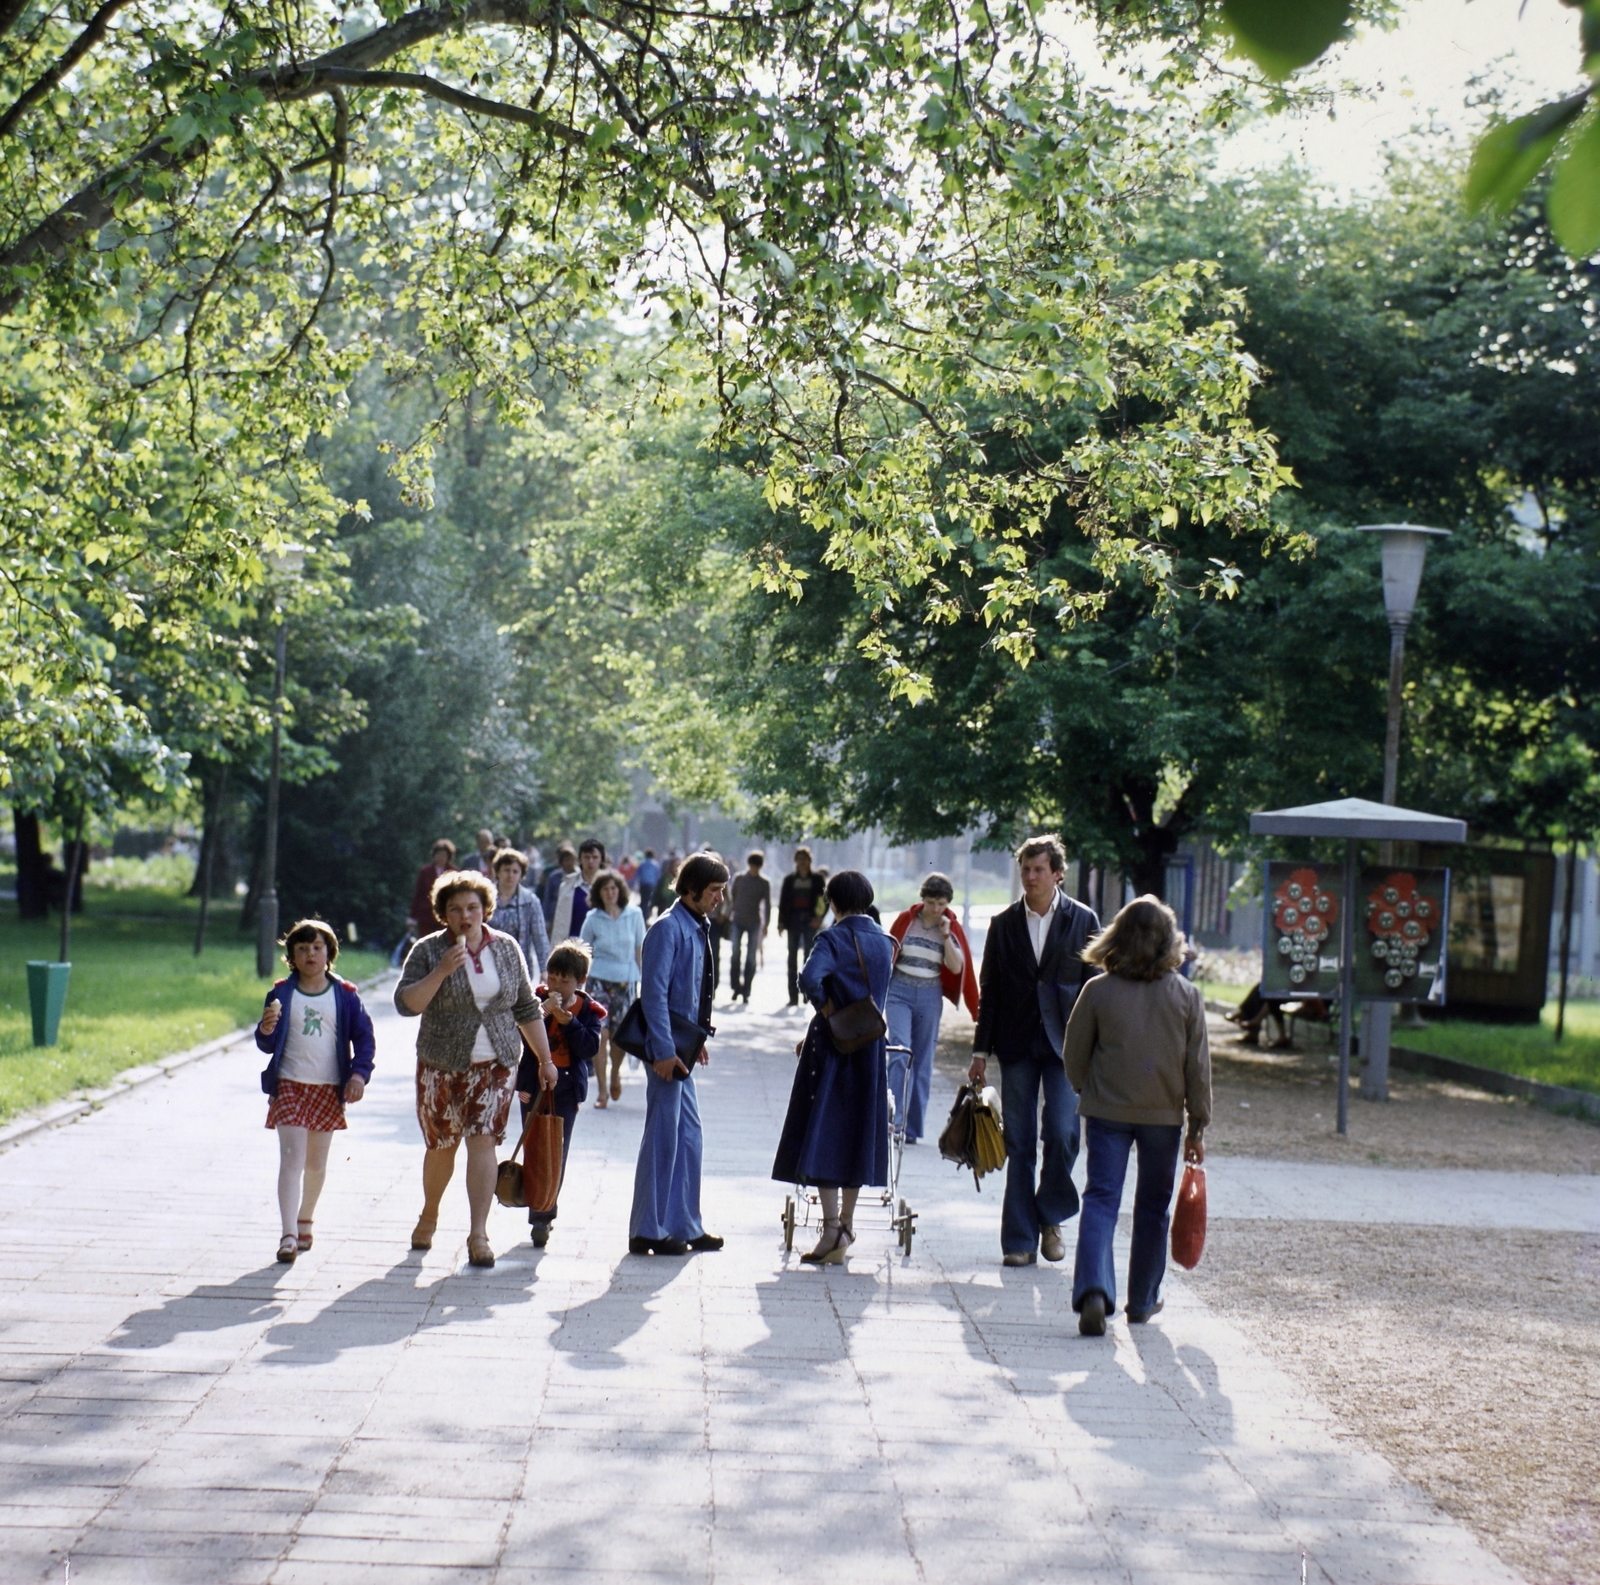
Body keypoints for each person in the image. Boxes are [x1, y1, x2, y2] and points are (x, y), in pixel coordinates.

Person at [1064, 896, 1211, 1336]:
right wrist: (1198, 1124)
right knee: (1152, 1206)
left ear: (1117, 937)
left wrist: (1088, 1087)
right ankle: (1143, 1299)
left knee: (1101, 1197)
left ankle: (1094, 1290)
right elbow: (1197, 1068)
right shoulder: (1186, 996)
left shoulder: (1098, 991)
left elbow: (1074, 1053)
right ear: (1171, 942)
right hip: (1163, 1116)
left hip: (1107, 1108)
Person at [395, 871, 557, 1269]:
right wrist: (442, 972)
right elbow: (406, 1003)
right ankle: (429, 1213)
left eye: (472, 907)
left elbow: (524, 1006)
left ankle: (478, 1233)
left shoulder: (506, 948)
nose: (465, 916)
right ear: (443, 915)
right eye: (455, 909)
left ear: (485, 909)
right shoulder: (429, 950)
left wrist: (546, 1058)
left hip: (497, 1062)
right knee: (442, 1146)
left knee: (483, 1140)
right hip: (441, 1063)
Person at [968, 834, 1100, 1267]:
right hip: (1018, 1042)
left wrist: (1099, 1049)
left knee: (1062, 1134)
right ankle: (1019, 1240)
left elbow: (1095, 990)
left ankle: (1051, 1217)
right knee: (1019, 1140)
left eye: (1038, 869)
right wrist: (980, 1053)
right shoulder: (1004, 923)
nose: (1029, 876)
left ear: (1057, 873)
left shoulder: (1083, 920)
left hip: (1067, 1045)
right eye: (1025, 869)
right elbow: (991, 991)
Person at [771, 871, 896, 1264]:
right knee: (859, 1131)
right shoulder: (885, 941)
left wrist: (826, 1009)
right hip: (870, 1045)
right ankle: (846, 1222)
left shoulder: (832, 938)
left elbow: (808, 977)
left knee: (824, 1128)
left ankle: (830, 1230)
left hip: (835, 1044)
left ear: (832, 902)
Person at [628, 851, 730, 1256]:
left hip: (682, 1049)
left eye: (721, 890)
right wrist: (667, 1050)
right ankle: (646, 1230)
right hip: (665, 1053)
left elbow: (688, 994)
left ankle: (684, 1224)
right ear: (691, 889)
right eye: (714, 890)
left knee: (688, 1138)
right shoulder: (667, 929)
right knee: (663, 1139)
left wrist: (696, 1039)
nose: (720, 898)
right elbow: (652, 995)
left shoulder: (694, 924)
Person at [256, 920, 376, 1263]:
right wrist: (265, 1031)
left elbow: (364, 1040)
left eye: (318, 947)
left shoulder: (345, 995)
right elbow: (267, 1041)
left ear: (330, 953)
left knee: (316, 1163)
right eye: (303, 948)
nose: (310, 954)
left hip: (328, 1088)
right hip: (290, 1085)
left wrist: (358, 1076)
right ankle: (288, 1234)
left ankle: (306, 1216)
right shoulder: (281, 993)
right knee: (291, 1159)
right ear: (292, 955)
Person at [515, 940, 604, 1247]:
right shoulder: (535, 1001)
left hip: (566, 1090)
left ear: (580, 982)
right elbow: (521, 1038)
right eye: (552, 978)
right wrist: (544, 1013)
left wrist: (571, 1024)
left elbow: (590, 1049)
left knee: (556, 1151)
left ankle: (544, 1215)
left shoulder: (589, 1010)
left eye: (564, 981)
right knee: (533, 1144)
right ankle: (534, 1204)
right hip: (533, 1087)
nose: (557, 986)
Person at [886, 874, 978, 1144]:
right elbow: (889, 952)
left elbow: (957, 967)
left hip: (928, 993)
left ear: (948, 903)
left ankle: (912, 1128)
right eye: (930, 902)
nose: (936, 909)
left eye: (941, 903)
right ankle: (895, 1120)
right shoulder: (907, 919)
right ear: (922, 899)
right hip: (900, 991)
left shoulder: (951, 927)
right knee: (900, 1052)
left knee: (923, 1060)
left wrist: (946, 935)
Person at [579, 867, 646, 1108]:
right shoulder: (593, 918)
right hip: (598, 981)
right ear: (599, 893)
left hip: (626, 980)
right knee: (601, 1034)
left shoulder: (634, 915)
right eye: (605, 889)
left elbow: (639, 948)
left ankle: (616, 1072)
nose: (610, 893)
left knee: (619, 1036)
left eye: (613, 888)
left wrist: (644, 981)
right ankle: (602, 1090)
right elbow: (583, 951)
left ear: (620, 890)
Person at [491, 847, 551, 983]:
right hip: (488, 965)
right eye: (506, 870)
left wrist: (544, 969)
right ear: (498, 872)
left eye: (515, 871)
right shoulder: (484, 898)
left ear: (521, 875)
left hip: (518, 968)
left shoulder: (530, 901)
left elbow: (540, 936)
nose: (510, 875)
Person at [777, 847, 826, 1008]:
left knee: (809, 958)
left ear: (810, 861)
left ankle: (808, 993)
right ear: (795, 861)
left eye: (805, 859)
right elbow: (783, 902)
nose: (802, 862)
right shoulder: (789, 880)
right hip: (793, 922)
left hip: (810, 921)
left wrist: (819, 918)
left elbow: (822, 900)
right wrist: (781, 923)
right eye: (799, 859)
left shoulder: (818, 879)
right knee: (792, 958)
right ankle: (793, 996)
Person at [727, 851, 770, 1005]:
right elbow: (731, 898)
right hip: (738, 920)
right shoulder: (739, 879)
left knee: (751, 957)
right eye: (752, 866)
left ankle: (747, 990)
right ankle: (735, 986)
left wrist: (767, 925)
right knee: (735, 953)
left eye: (757, 867)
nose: (754, 869)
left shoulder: (764, 883)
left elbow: (768, 904)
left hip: (754, 922)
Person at [403, 838, 456, 948]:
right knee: (426, 945)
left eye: (444, 855)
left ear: (448, 857)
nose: (441, 858)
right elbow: (418, 894)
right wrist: (412, 918)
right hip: (426, 916)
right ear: (434, 855)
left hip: (445, 916)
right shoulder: (425, 871)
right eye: (438, 854)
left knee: (443, 945)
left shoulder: (454, 872)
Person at [540, 842, 579, 929]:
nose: (569, 863)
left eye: (571, 859)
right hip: (556, 915)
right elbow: (547, 899)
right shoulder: (554, 877)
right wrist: (547, 920)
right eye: (566, 860)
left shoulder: (580, 876)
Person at [650, 854, 680, 920]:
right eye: (675, 866)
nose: (677, 868)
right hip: (664, 909)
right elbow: (660, 893)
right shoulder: (665, 878)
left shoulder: (682, 880)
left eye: (679, 866)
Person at [634, 848, 661, 917]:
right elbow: (658, 876)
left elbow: (637, 875)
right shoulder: (655, 864)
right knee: (649, 900)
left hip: (643, 885)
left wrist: (635, 885)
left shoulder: (642, 863)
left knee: (643, 900)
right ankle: (646, 914)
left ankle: (643, 915)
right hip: (652, 886)